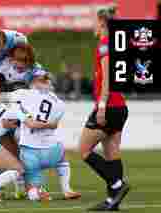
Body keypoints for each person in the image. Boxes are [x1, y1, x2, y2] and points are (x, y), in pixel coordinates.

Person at [0, 69, 81, 200]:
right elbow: (53, 124)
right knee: (62, 158)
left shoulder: (24, 94)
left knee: (29, 179)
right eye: (46, 79)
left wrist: (14, 105)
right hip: (52, 151)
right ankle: (66, 189)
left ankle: (33, 191)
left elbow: (0, 97)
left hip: (29, 152)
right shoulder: (60, 103)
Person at [79, 8, 130, 211]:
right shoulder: (118, 44)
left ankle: (118, 184)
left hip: (108, 106)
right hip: (120, 106)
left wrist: (101, 105)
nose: (92, 25)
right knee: (111, 152)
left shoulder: (104, 44)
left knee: (83, 150)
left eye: (94, 21)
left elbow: (108, 76)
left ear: (101, 22)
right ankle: (112, 202)